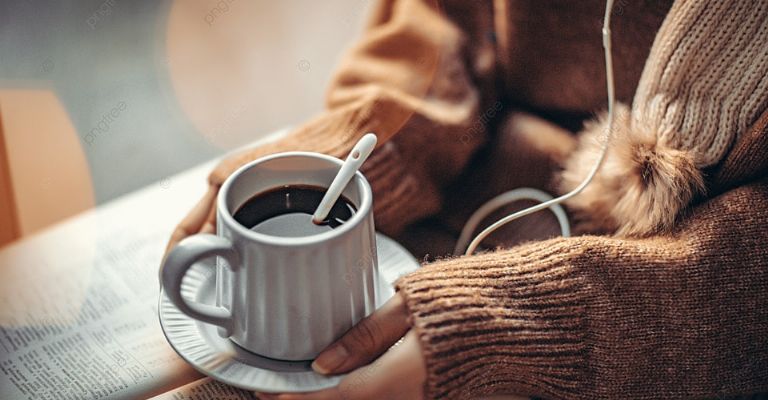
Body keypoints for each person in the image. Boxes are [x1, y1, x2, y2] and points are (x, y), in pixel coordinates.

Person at [164, 0, 768, 399]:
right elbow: (439, 17)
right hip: (448, 210)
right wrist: (377, 144)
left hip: (646, 329)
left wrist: (510, 325)